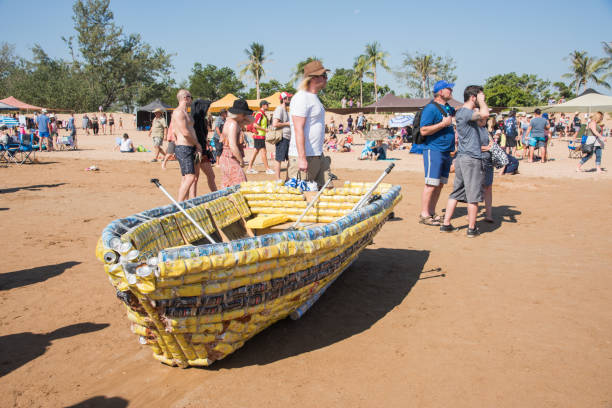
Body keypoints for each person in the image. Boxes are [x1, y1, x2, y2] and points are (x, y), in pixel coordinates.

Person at [440, 85, 490, 238]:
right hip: (471, 158)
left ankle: (446, 223)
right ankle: (472, 228)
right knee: (473, 194)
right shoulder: (466, 112)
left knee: (456, 192)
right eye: (480, 96)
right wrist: (481, 102)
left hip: (462, 157)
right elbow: (485, 114)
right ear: (473, 97)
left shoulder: (462, 112)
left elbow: (482, 121)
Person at [418, 80, 456, 226]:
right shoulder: (430, 109)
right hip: (434, 150)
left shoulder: (447, 108)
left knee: (439, 184)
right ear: (440, 92)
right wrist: (443, 124)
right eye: (449, 89)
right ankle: (424, 214)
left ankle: (432, 212)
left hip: (446, 151)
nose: (451, 92)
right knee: (431, 184)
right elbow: (424, 130)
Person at [289, 60, 332, 188]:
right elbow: (298, 129)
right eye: (323, 75)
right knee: (301, 196)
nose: (326, 78)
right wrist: (302, 158)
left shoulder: (314, 97)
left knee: (327, 190)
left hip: (317, 154)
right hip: (304, 156)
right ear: (313, 78)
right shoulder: (301, 98)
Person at [172, 89, 202, 202]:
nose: (191, 100)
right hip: (184, 147)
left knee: (186, 177)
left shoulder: (186, 113)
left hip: (189, 147)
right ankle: (179, 205)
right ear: (185, 98)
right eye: (191, 97)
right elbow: (185, 132)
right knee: (190, 177)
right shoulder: (179, 112)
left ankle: (185, 202)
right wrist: (197, 144)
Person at [219, 99, 252, 188]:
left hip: (225, 158)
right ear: (241, 113)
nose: (246, 116)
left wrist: (243, 116)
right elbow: (233, 146)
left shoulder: (229, 121)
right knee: (241, 186)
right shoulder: (234, 124)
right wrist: (241, 160)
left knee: (228, 187)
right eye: (245, 113)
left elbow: (251, 120)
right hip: (230, 158)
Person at [191, 98, 217, 194]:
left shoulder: (202, 120)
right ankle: (192, 200)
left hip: (202, 152)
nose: (208, 110)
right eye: (206, 108)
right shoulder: (193, 120)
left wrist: (206, 142)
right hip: (196, 152)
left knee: (211, 175)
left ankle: (216, 194)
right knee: (195, 177)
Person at [247, 100, 274, 175]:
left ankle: (249, 168)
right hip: (259, 136)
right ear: (263, 105)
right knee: (263, 152)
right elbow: (255, 125)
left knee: (256, 152)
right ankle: (267, 169)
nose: (268, 106)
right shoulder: (260, 114)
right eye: (267, 104)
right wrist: (264, 129)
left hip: (260, 136)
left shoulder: (262, 114)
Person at [272, 92, 292, 180]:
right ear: (284, 99)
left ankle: (287, 178)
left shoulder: (286, 110)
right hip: (282, 137)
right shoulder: (279, 109)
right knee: (279, 159)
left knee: (290, 159)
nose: (290, 100)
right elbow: (275, 124)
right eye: (288, 98)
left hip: (287, 137)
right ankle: (277, 179)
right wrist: (287, 123)